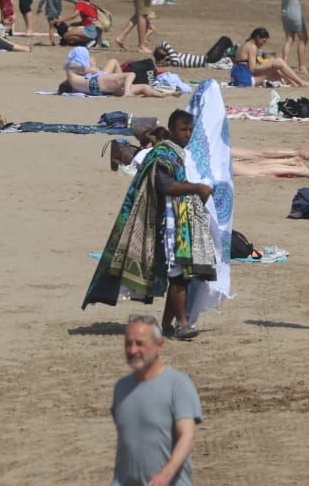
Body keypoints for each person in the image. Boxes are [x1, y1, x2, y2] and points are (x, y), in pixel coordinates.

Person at [84, 111, 215, 339]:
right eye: (184, 129)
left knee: (180, 274)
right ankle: (182, 324)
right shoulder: (163, 154)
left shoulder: (177, 154)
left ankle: (166, 325)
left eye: (190, 129)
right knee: (179, 274)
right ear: (172, 130)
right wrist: (197, 188)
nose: (188, 134)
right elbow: (165, 186)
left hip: (178, 221)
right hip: (165, 223)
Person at [111, 315, 202, 486]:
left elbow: (187, 436)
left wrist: (165, 475)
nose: (132, 350)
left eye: (139, 343)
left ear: (159, 345)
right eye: (128, 344)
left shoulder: (178, 385)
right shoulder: (121, 388)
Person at [62, 47, 167, 98]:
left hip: (96, 85)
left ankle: (164, 94)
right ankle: (127, 91)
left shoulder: (70, 70)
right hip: (96, 83)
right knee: (131, 74)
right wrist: (92, 63)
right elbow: (94, 70)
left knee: (144, 86)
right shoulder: (70, 66)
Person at [230, 27, 309, 88]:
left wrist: (269, 64)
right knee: (278, 62)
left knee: (275, 65)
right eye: (263, 41)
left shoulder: (244, 45)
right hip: (245, 81)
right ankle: (301, 82)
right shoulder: (252, 46)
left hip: (238, 79)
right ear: (258, 37)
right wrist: (270, 64)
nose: (263, 44)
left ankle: (290, 81)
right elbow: (253, 68)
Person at [275, 0, 309, 77]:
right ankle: (301, 66)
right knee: (303, 38)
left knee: (289, 39)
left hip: (284, 11)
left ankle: (283, 63)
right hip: (294, 11)